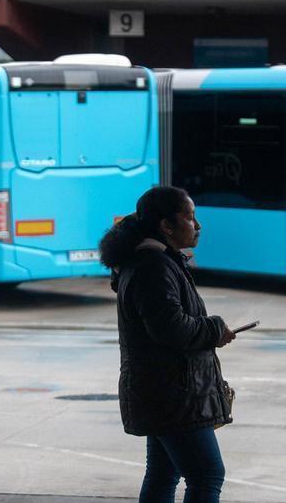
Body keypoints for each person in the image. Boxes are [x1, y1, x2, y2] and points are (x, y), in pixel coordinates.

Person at [99, 186, 236, 503]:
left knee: (163, 475)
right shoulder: (153, 267)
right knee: (207, 476)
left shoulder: (157, 261)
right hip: (172, 394)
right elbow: (170, 328)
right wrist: (215, 328)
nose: (197, 225)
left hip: (164, 391)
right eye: (189, 217)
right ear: (166, 226)